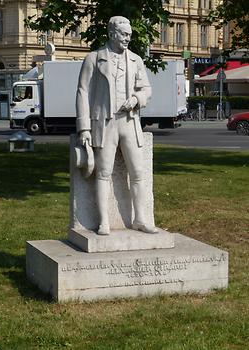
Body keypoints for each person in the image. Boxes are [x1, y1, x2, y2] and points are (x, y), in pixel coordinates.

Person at [76, 16, 158, 235]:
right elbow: (83, 92)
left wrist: (137, 99)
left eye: (130, 35)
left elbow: (147, 90)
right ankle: (104, 222)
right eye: (124, 34)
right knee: (103, 172)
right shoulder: (94, 59)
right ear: (112, 34)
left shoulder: (136, 59)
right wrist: (84, 127)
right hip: (104, 122)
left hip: (130, 122)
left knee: (138, 172)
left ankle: (140, 219)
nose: (128, 38)